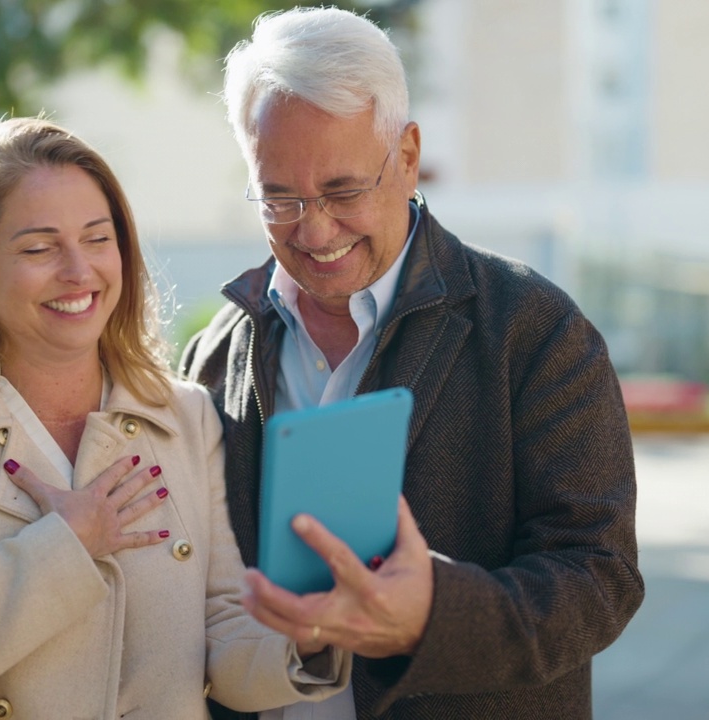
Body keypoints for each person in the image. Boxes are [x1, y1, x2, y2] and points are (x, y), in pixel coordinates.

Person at [180, 7, 644, 719]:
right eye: (279, 197)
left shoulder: (535, 329)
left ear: (406, 155)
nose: (314, 229)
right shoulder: (217, 354)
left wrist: (434, 615)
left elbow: (600, 578)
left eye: (342, 191)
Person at [0, 116, 350, 720]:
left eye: (98, 239)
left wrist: (309, 640)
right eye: (39, 248)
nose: (79, 271)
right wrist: (61, 549)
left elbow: (221, 633)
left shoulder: (183, 417)